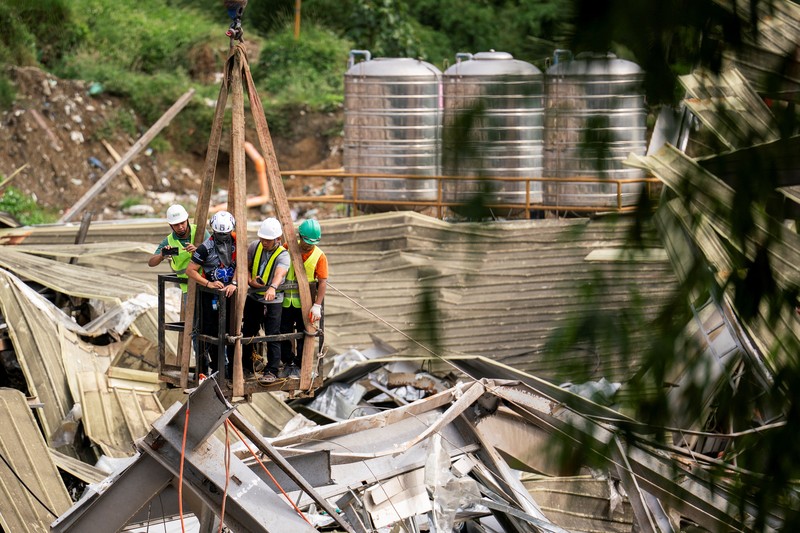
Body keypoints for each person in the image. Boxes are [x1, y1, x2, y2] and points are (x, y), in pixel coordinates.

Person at [186, 210, 238, 378]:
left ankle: (231, 370)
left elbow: (243, 266)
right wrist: (208, 283)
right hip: (210, 297)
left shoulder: (237, 244)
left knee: (233, 332)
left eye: (225, 233)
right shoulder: (205, 248)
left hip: (230, 296)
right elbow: (191, 270)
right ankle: (213, 370)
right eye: (219, 234)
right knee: (210, 332)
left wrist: (235, 283)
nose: (223, 237)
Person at [279, 218, 328, 378]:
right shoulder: (287, 248)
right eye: (306, 242)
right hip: (286, 302)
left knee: (304, 334)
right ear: (300, 236)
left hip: (305, 305)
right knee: (283, 333)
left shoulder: (319, 256)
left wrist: (317, 305)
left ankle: (301, 365)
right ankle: (288, 363)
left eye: (312, 243)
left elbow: (322, 282)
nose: (308, 246)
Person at [242, 217, 289, 382]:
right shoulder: (255, 246)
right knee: (248, 331)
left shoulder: (283, 255)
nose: (264, 242)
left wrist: (272, 287)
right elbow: (246, 266)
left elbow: (280, 273)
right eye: (262, 238)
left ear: (278, 239)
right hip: (254, 296)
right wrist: (250, 281)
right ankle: (248, 366)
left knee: (272, 334)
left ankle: (272, 370)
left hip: (273, 300)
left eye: (268, 240)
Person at [148, 204, 209, 294]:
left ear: (187, 220)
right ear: (170, 225)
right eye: (176, 225)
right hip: (187, 287)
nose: (180, 227)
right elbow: (151, 263)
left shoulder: (200, 231)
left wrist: (198, 251)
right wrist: (161, 256)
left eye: (182, 223)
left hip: (206, 282)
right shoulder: (169, 241)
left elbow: (214, 252)